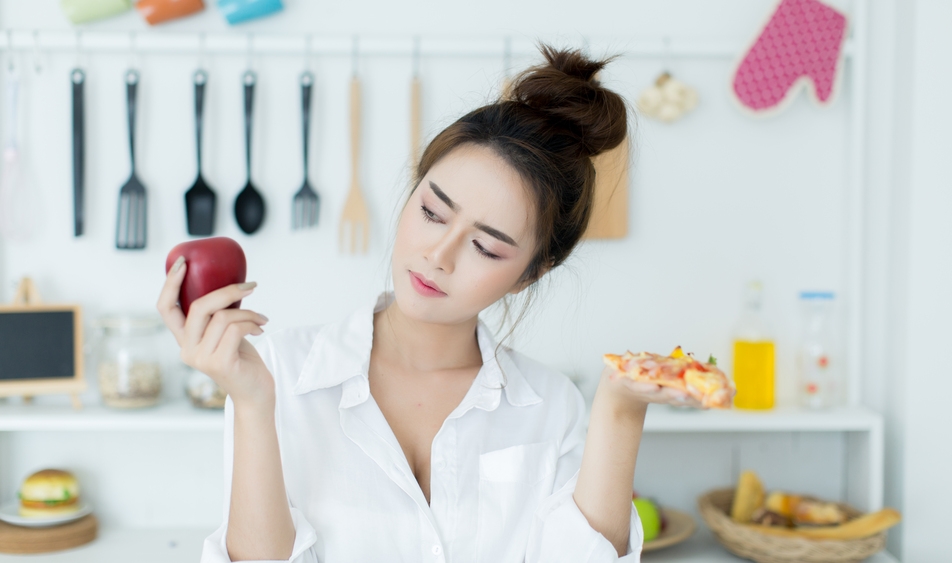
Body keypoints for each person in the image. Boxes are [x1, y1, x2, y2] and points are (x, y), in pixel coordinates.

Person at [158, 41, 704, 563]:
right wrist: (253, 404)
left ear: (531, 274)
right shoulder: (277, 375)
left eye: (486, 247)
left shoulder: (550, 405)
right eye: (432, 213)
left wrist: (621, 410)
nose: (438, 256)